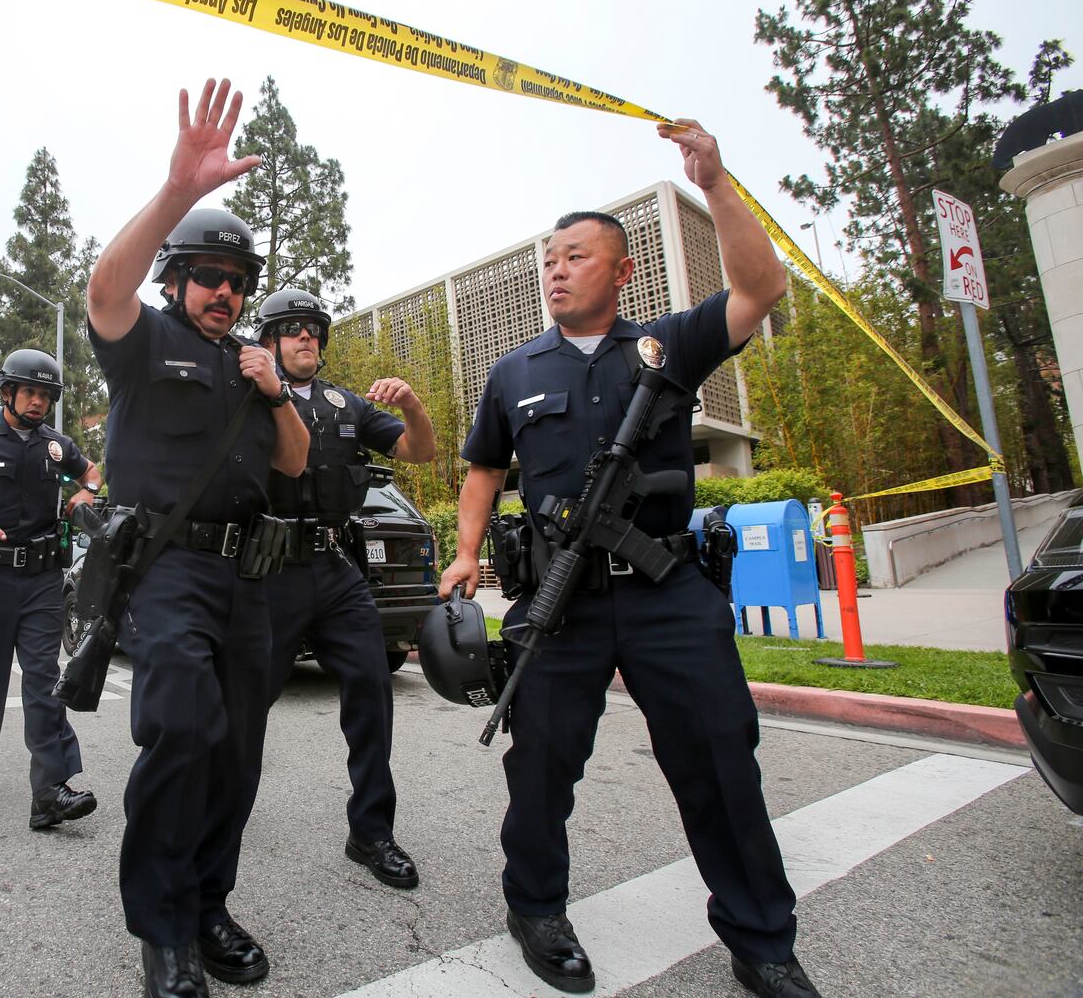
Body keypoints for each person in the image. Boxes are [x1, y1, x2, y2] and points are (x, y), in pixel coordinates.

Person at [437, 121, 821, 998]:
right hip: (556, 597)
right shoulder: (512, 370)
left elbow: (759, 288)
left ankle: (762, 939)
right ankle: (534, 907)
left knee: (719, 757)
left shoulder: (667, 348)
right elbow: (484, 468)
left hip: (664, 588)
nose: (556, 270)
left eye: (575, 256)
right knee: (537, 762)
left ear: (621, 271)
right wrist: (465, 553)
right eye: (548, 259)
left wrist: (717, 186)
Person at [85, 78, 309, 998]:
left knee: (237, 753)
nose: (225, 292)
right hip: (168, 570)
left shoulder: (252, 369)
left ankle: (210, 901)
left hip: (244, 580)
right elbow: (102, 289)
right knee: (181, 732)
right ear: (176, 279)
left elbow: (291, 465)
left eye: (238, 282)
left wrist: (274, 391)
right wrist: (177, 190)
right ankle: (166, 928)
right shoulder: (144, 342)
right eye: (209, 277)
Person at [253, 288, 436, 890]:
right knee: (245, 702)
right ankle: (218, 814)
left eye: (314, 329)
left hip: (335, 567)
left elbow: (421, 450)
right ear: (271, 340)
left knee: (370, 690)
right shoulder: (247, 398)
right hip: (268, 569)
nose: (307, 338)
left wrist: (411, 405)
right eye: (294, 329)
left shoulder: (346, 405)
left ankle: (372, 831)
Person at [0, 348, 105, 830]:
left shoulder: (56, 446)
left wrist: (85, 490)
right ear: (7, 392)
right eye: (29, 391)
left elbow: (90, 471)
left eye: (46, 395)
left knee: (44, 679)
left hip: (43, 580)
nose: (38, 402)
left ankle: (50, 791)